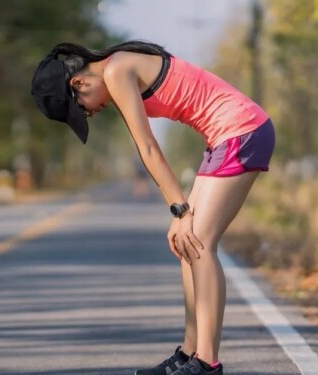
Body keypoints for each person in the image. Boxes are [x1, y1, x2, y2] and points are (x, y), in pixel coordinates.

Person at [30, 40, 276, 375]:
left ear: (79, 83)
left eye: (82, 108)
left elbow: (147, 147)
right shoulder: (116, 69)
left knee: (199, 243)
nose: (90, 113)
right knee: (186, 244)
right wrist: (180, 214)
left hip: (242, 131)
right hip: (224, 137)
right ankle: (189, 355)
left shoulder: (117, 70)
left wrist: (180, 210)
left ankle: (208, 363)